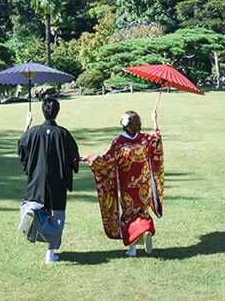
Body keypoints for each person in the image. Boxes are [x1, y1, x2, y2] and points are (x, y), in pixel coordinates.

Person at [85, 109, 164, 257]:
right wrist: (154, 120)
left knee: (129, 214)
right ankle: (145, 231)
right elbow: (156, 138)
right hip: (144, 184)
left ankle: (132, 249)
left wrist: (89, 159)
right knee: (142, 211)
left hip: (128, 186)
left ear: (125, 126)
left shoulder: (120, 143)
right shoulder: (145, 140)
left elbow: (106, 161)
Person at [17, 96, 80, 264]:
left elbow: (22, 145)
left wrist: (28, 124)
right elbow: (74, 157)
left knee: (33, 205)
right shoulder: (63, 133)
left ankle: (33, 213)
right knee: (56, 217)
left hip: (36, 180)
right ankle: (50, 254)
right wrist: (75, 162)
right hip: (57, 181)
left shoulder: (33, 132)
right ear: (57, 112)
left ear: (43, 112)